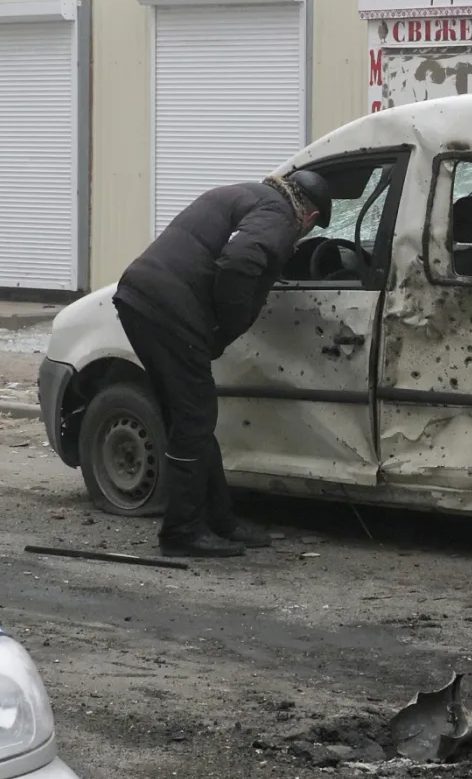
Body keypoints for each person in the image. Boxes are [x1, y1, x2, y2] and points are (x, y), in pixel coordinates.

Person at [113, 170, 333, 559]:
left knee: (190, 417)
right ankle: (182, 532)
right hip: (169, 308)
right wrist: (227, 326)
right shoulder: (281, 215)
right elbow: (239, 261)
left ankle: (219, 520)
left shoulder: (250, 194)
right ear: (310, 218)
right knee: (195, 417)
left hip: (143, 297)